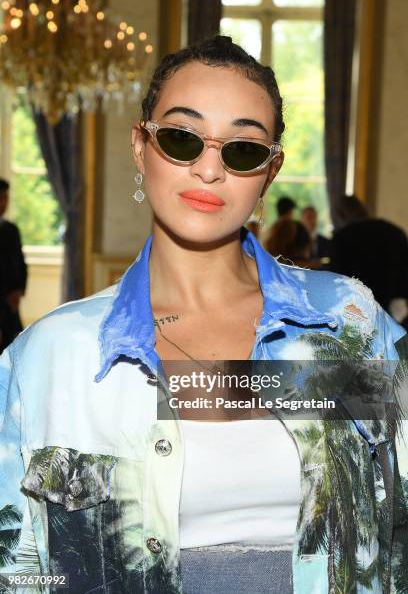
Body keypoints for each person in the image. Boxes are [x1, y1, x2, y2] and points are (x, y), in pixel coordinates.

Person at [0, 35, 407, 594]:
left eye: (242, 149)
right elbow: (16, 565)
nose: (209, 169)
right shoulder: (55, 354)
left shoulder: (345, 325)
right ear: (141, 147)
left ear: (269, 170)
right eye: (181, 138)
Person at [330, 195, 408, 326]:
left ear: (340, 216)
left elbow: (337, 281)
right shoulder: (395, 232)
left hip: (359, 315)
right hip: (397, 313)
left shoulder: (341, 238)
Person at [0, 178, 27, 352]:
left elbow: (21, 263)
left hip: (10, 304)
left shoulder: (11, 229)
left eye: (5, 198)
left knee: (13, 347)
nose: (3, 203)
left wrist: (19, 290)